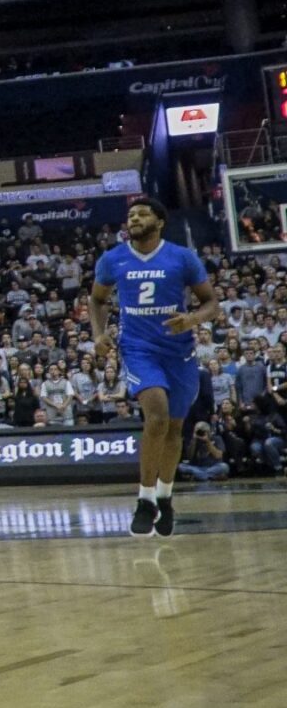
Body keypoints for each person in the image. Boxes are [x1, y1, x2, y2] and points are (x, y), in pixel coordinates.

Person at [91, 198, 218, 538]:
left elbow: (211, 302)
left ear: (160, 222)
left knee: (175, 429)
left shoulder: (182, 257)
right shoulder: (113, 258)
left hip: (179, 352)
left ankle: (165, 495)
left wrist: (191, 319)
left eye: (142, 213)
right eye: (130, 214)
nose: (134, 218)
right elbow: (97, 300)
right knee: (157, 416)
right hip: (138, 348)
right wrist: (99, 334)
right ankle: (145, 499)